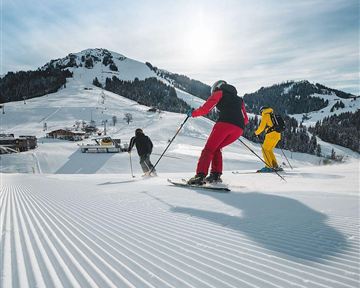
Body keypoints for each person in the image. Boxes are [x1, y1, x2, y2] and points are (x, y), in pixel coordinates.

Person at [187, 80, 249, 185]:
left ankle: (199, 176)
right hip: (239, 128)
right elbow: (246, 119)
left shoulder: (219, 93)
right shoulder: (239, 99)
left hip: (224, 124)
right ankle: (215, 175)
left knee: (208, 149)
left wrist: (193, 113)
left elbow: (206, 109)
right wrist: (234, 125)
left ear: (217, 87)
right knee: (216, 149)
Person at [254, 106, 282, 172]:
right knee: (269, 150)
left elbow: (261, 127)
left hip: (271, 135)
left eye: (261, 112)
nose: (261, 114)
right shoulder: (273, 115)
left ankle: (268, 166)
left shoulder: (266, 115)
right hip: (278, 135)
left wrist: (256, 133)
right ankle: (275, 166)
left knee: (264, 149)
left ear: (262, 110)